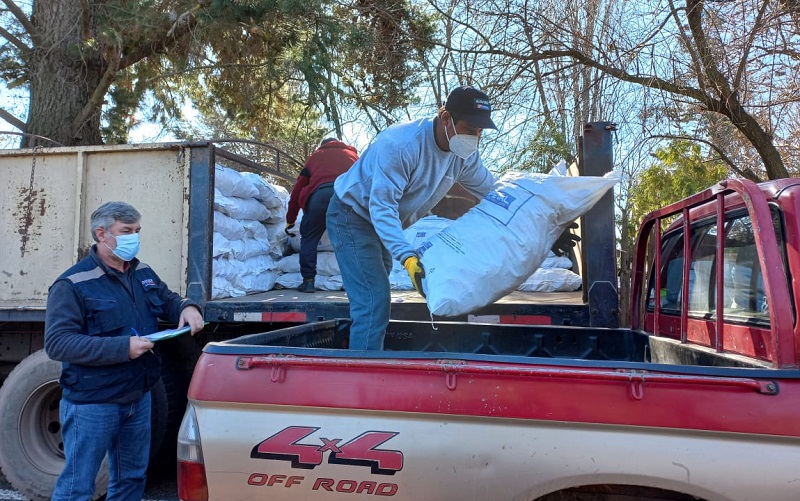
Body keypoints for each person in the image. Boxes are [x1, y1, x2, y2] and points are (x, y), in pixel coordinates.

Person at [44, 201, 205, 501]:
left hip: (137, 397)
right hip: (93, 403)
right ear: (101, 233)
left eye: (137, 231)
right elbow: (58, 343)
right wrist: (122, 348)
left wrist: (187, 307)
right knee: (77, 487)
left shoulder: (140, 271)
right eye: (127, 231)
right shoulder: (73, 284)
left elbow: (166, 298)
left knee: (131, 480)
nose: (134, 237)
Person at [326, 85, 497, 350]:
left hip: (382, 220)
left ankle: (369, 361)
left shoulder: (463, 157)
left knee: (376, 301)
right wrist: (406, 256)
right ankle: (363, 380)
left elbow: (493, 192)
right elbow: (381, 208)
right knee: (373, 302)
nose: (474, 137)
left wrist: (536, 217)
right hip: (352, 216)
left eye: (479, 132)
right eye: (469, 128)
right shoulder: (400, 145)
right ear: (445, 118)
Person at [285, 138, 359, 293]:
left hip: (319, 197)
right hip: (345, 197)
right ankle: (351, 282)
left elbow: (298, 189)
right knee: (351, 240)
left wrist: (290, 220)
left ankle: (308, 281)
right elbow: (365, 182)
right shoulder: (353, 157)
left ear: (323, 145)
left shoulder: (315, 157)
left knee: (309, 239)